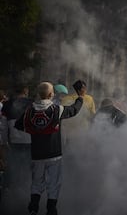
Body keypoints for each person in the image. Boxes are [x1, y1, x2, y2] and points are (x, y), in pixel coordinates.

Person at [15, 82, 83, 215]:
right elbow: (74, 110)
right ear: (51, 94)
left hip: (37, 154)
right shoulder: (57, 109)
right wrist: (80, 97)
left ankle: (33, 207)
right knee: (54, 182)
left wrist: (35, 130)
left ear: (39, 94)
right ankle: (51, 209)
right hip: (54, 154)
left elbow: (18, 125)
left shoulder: (30, 110)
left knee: (37, 182)